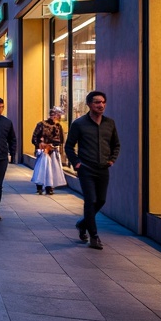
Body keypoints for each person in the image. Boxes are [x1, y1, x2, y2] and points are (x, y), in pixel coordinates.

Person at [65, 91, 120, 250]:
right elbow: (69, 146)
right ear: (89, 104)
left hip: (103, 168)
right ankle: (94, 236)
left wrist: (112, 159)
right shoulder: (79, 123)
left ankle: (82, 224)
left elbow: (116, 144)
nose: (101, 105)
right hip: (86, 169)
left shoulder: (110, 123)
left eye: (103, 102)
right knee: (91, 201)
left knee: (101, 200)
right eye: (97, 102)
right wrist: (76, 163)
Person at [31, 106, 67, 195]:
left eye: (57, 115)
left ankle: (49, 186)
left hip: (53, 150)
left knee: (52, 169)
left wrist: (54, 145)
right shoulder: (41, 124)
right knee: (42, 168)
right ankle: (39, 186)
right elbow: (34, 138)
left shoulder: (58, 126)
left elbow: (61, 139)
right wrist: (40, 144)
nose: (55, 117)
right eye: (54, 115)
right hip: (43, 151)